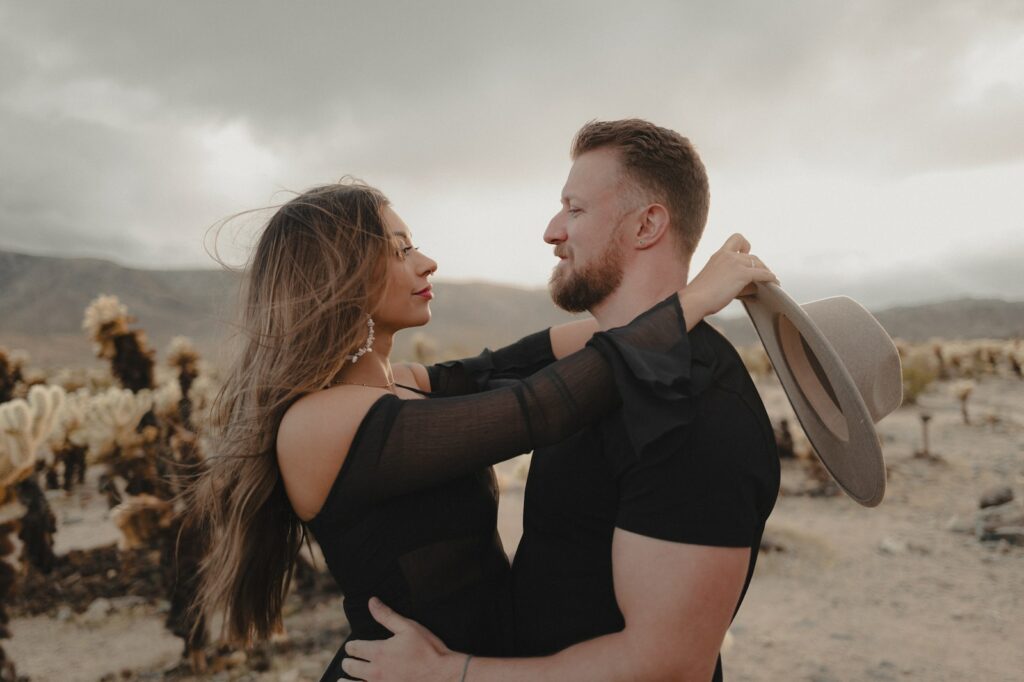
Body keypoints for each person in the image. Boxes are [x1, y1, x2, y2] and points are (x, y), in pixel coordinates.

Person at [185, 174, 774, 680]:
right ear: (338, 277)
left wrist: (672, 304)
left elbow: (532, 357)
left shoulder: (409, 386)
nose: (426, 261)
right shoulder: (319, 423)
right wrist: (695, 299)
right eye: (399, 250)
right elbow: (539, 408)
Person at [343, 119, 781, 681]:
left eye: (575, 209)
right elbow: (492, 372)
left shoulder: (694, 407)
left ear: (648, 225)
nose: (552, 231)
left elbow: (665, 665)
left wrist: (451, 673)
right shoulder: (593, 363)